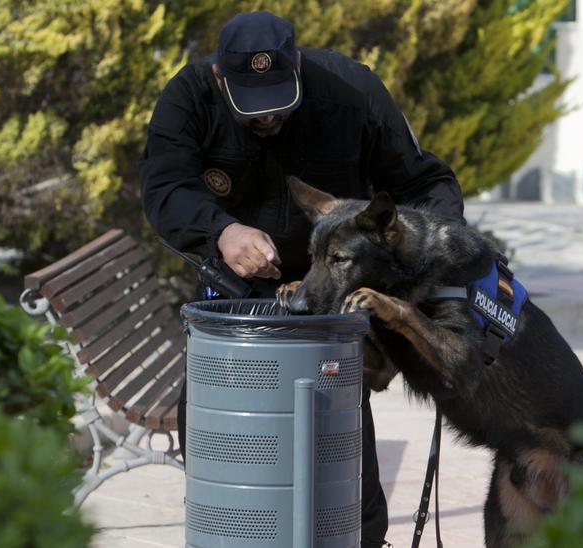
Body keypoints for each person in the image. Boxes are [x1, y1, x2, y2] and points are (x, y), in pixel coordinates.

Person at [139, 11, 465, 546]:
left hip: (331, 298)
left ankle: (359, 536)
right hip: (237, 292)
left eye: (278, 105)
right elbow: (164, 187)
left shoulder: (351, 88)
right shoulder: (188, 96)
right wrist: (221, 231)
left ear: (297, 69)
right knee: (214, 423)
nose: (267, 120)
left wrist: (436, 253)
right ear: (222, 78)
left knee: (335, 423)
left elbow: (424, 181)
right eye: (252, 110)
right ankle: (234, 530)